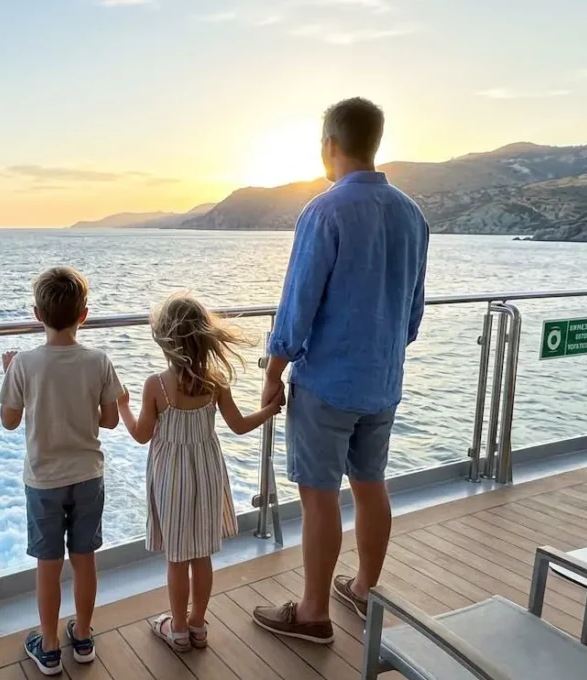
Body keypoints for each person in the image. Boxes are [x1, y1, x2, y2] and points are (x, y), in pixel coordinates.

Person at [250, 98, 429, 643]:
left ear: (329, 144)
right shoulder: (411, 214)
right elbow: (414, 309)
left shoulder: (324, 211)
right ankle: (362, 589)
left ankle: (311, 612)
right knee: (371, 485)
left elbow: (297, 304)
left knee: (319, 494)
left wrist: (273, 370)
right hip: (383, 379)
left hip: (329, 381)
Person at [117, 294, 280, 652]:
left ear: (166, 342)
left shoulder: (156, 386)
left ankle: (176, 629)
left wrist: (124, 408)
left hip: (172, 477)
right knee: (202, 555)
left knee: (177, 557)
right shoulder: (216, 380)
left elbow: (142, 435)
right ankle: (198, 624)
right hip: (207, 473)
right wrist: (268, 410)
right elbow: (238, 425)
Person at [0, 266, 122, 676]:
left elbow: (10, 421)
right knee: (84, 558)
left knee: (48, 564)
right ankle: (82, 636)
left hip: (44, 480)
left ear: (37, 314)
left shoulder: (25, 364)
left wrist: (9, 376)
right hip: (88, 475)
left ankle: (49, 646)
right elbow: (109, 421)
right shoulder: (98, 360)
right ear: (84, 314)